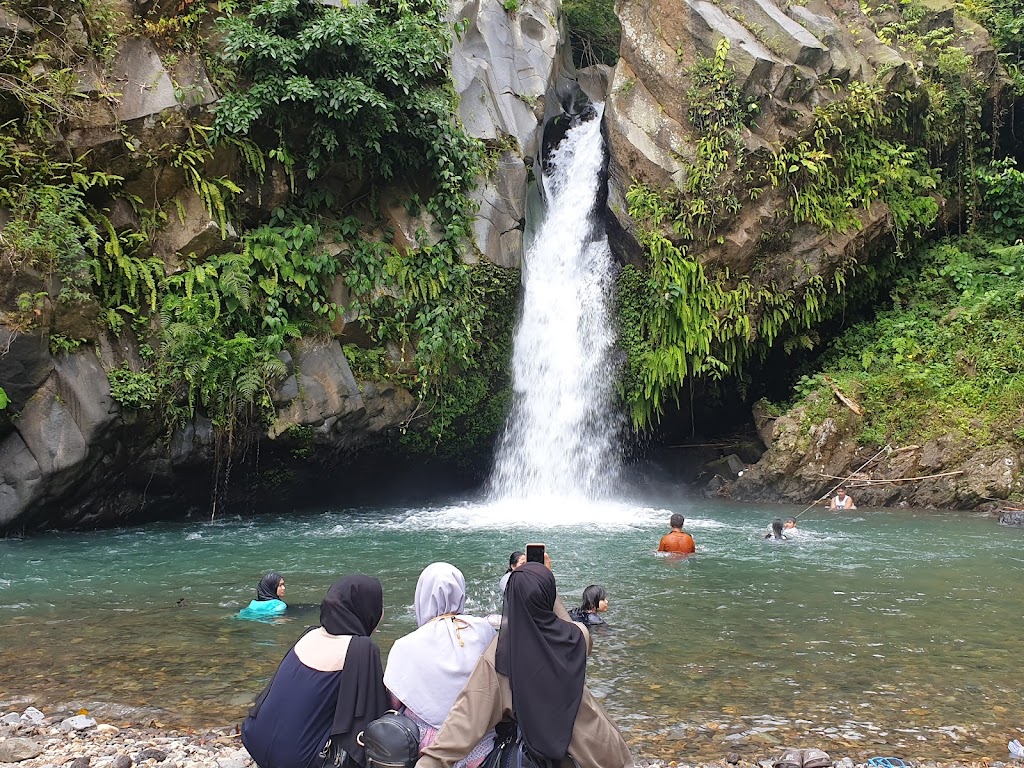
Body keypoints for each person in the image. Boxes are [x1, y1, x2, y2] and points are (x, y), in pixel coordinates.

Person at [413, 563, 632, 768]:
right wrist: (543, 581)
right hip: (604, 751)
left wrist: (431, 760)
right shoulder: (577, 638)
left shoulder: (500, 657)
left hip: (555, 759)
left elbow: (463, 723)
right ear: (548, 596)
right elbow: (565, 621)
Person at [241, 575, 389, 768]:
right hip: (296, 761)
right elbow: (372, 715)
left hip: (254, 739)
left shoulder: (309, 633)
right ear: (366, 609)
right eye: (378, 604)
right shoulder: (362, 648)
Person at [384, 563, 497, 768]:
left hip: (427, 748)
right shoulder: (485, 630)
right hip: (480, 742)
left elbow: (394, 702)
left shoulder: (406, 644)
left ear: (422, 596)